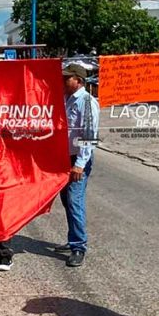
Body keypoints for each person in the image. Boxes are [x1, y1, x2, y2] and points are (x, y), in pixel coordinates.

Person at [52, 63, 100, 268]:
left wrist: (79, 164)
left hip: (77, 160)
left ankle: (79, 246)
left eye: (67, 78)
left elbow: (89, 136)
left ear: (78, 81)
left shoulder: (87, 102)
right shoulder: (66, 99)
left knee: (74, 201)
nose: (63, 81)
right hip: (64, 158)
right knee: (67, 201)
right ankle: (73, 238)